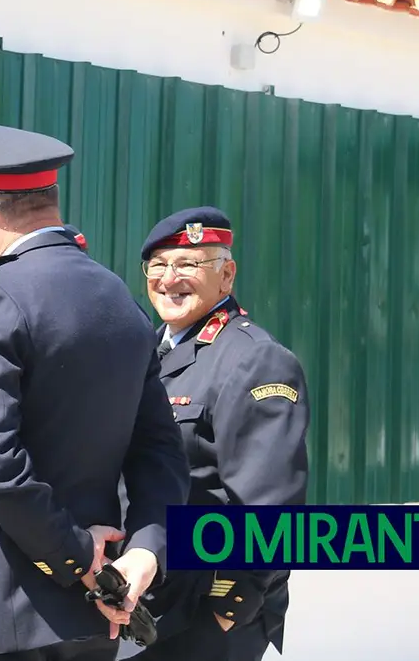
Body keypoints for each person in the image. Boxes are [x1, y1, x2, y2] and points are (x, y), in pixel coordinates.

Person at [0, 123, 191, 661]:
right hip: (92, 616)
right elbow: (160, 450)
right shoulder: (118, 298)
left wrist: (77, 556)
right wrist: (144, 551)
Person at [124, 206, 309, 661]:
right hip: (150, 599)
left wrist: (229, 604)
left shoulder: (254, 359)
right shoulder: (150, 351)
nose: (169, 279)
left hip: (205, 611)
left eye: (188, 264)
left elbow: (270, 503)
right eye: (158, 265)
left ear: (227, 275)